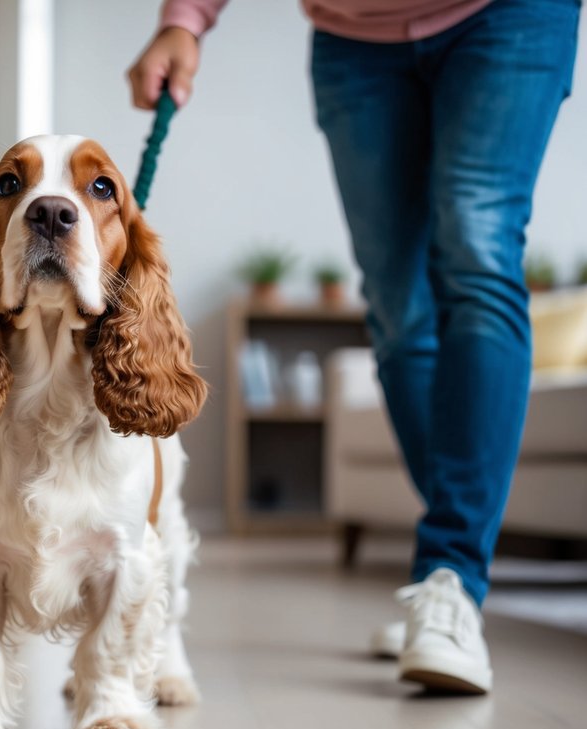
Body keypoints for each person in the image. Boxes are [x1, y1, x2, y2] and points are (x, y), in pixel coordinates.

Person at [129, 0, 580, 694]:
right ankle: (448, 577)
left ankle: (451, 577)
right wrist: (185, 19)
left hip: (510, 14)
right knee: (397, 307)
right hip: (352, 37)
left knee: (477, 247)